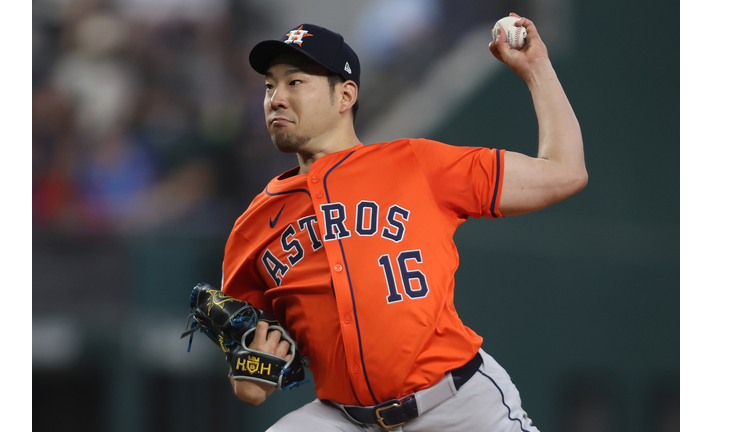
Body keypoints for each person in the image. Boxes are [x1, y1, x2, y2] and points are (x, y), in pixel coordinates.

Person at [220, 14, 587, 431]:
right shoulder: (252, 228)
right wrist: (250, 375)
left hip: (457, 405)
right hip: (345, 419)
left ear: (345, 96)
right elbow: (249, 377)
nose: (276, 98)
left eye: (295, 82)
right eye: (270, 85)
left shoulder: (416, 164)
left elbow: (564, 171)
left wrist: (536, 68)